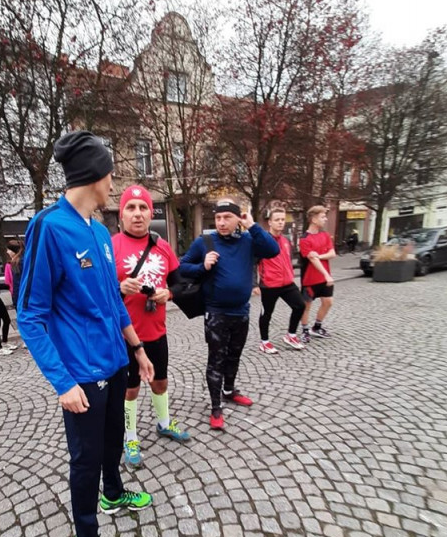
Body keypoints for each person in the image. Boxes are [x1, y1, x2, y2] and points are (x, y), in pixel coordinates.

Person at [17, 130, 155, 537]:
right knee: (86, 459)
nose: (114, 182)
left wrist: (137, 349)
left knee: (113, 442)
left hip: (115, 363)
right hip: (81, 374)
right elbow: (30, 316)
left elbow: (112, 302)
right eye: (110, 173)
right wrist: (63, 382)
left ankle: (113, 493)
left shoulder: (99, 231)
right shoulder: (49, 227)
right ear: (95, 175)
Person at [179, 197, 279, 430]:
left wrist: (252, 225)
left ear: (238, 219)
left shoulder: (248, 240)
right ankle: (216, 406)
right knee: (216, 360)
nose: (222, 222)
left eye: (227, 217)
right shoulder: (205, 241)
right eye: (218, 218)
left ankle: (229, 390)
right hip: (216, 312)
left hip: (241, 311)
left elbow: (273, 250)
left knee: (234, 355)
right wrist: (202, 266)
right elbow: (181, 267)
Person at [112, 185, 189, 468]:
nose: (137, 214)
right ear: (121, 215)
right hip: (125, 337)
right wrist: (120, 288)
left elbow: (180, 283)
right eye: (130, 208)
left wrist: (168, 293)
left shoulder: (162, 246)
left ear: (150, 213)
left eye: (143, 207)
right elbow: (96, 294)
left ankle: (164, 423)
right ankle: (130, 437)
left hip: (157, 333)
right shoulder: (111, 246)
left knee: (160, 382)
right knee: (130, 389)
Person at [257, 206, 306, 353]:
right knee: (267, 313)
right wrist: (254, 284)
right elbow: (253, 262)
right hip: (269, 284)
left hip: (287, 283)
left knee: (300, 306)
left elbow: (287, 260)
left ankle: (291, 335)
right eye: (277, 219)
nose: (280, 222)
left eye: (283, 219)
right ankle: (264, 342)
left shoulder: (286, 240)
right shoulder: (263, 241)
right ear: (270, 222)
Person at [299, 205, 336, 342]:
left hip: (324, 278)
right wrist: (326, 274)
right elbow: (312, 259)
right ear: (314, 219)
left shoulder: (325, 235)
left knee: (328, 301)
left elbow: (332, 253)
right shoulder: (304, 239)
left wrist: (319, 256)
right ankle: (305, 330)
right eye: (323, 217)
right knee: (306, 305)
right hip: (310, 278)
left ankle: (317, 327)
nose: (325, 219)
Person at [5, 239, 25, 310]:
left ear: (13, 251)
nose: (7, 252)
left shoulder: (17, 263)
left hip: (22, 297)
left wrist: (15, 301)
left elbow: (17, 283)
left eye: (8, 250)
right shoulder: (23, 260)